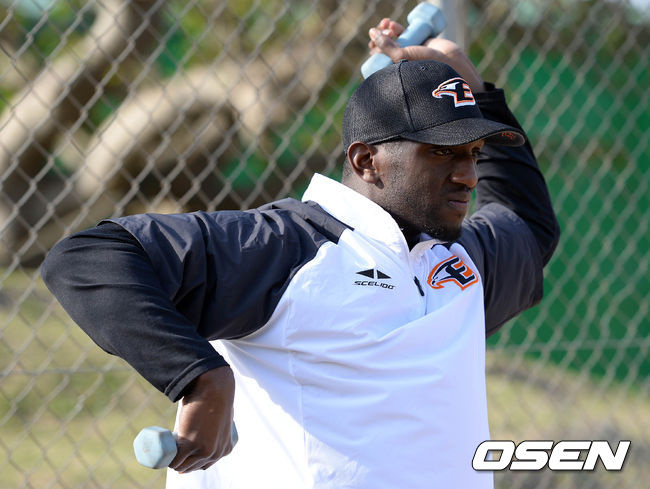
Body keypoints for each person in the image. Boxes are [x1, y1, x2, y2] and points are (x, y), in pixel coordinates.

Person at [41, 16, 560, 489]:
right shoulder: (288, 248)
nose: (468, 175)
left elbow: (529, 225)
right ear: (367, 161)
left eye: (474, 154)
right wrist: (200, 378)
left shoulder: (458, 261)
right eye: (442, 153)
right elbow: (85, 258)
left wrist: (474, 86)